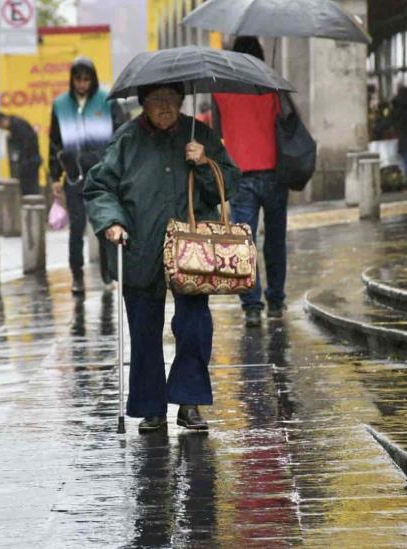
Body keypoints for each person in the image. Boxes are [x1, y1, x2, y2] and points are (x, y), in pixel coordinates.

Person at [84, 82, 241, 433]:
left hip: (192, 250)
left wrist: (204, 162)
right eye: (157, 100)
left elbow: (228, 183)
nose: (165, 107)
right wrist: (111, 222)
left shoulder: (199, 134)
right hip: (140, 245)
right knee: (143, 329)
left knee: (195, 326)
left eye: (171, 99)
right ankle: (151, 406)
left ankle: (189, 402)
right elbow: (99, 187)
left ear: (181, 101)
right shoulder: (126, 139)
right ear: (143, 104)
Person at [211, 36, 286, 327]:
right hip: (275, 173)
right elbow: (286, 125)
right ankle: (276, 301)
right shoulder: (273, 88)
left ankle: (252, 305)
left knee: (245, 242)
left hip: (240, 176)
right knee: (276, 240)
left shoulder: (220, 92)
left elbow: (217, 134)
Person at [49, 56, 123, 296]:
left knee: (104, 227)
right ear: (72, 80)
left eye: (86, 79)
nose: (82, 83)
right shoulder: (60, 105)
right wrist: (54, 177)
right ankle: (77, 277)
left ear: (93, 79)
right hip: (74, 177)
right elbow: (55, 143)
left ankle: (107, 274)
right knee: (76, 228)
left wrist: (118, 170)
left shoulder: (107, 100)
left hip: (102, 176)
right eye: (78, 79)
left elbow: (121, 135)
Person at [0, 112, 41, 195]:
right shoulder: (14, 126)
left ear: (3, 120)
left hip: (30, 161)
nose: (2, 128)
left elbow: (28, 143)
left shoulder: (18, 125)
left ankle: (32, 204)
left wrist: (23, 160)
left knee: (30, 188)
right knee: (27, 187)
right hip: (28, 161)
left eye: (0, 126)